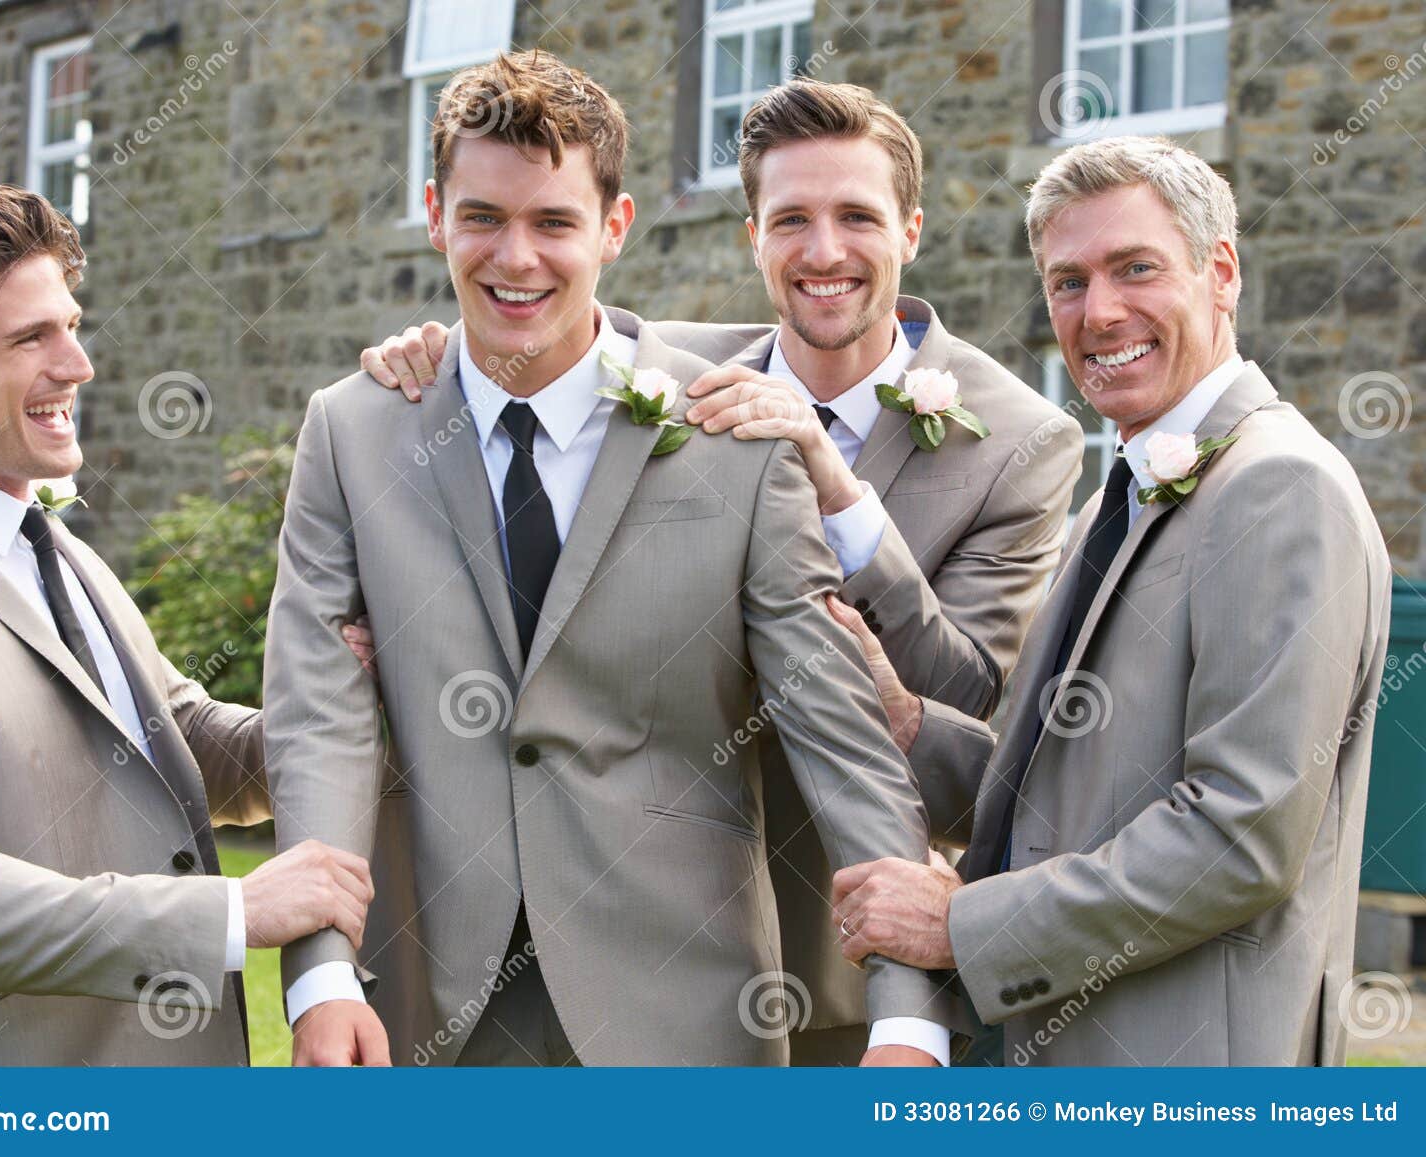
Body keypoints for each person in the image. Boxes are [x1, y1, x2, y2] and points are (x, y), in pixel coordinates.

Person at [355, 78, 1082, 1064]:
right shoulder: (666, 375)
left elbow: (967, 698)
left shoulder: (1018, 439)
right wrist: (434, 349)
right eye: (790, 219)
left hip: (843, 953)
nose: (822, 252)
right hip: (650, 942)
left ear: (910, 227)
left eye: (855, 216)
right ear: (752, 235)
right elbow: (524, 321)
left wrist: (833, 489)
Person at [828, 136, 1390, 1065]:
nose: (1101, 311)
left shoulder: (1280, 488)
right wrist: (907, 725)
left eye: (1136, 269)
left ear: (1221, 274)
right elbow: (1076, 796)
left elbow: (1238, 834)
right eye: (1068, 281)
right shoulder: (1118, 492)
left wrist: (963, 922)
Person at [0, 183, 377, 1066]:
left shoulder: (61, 550)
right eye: (29, 338)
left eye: (71, 325)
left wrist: (355, 712)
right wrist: (236, 912)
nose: (77, 364)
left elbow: (182, 744)